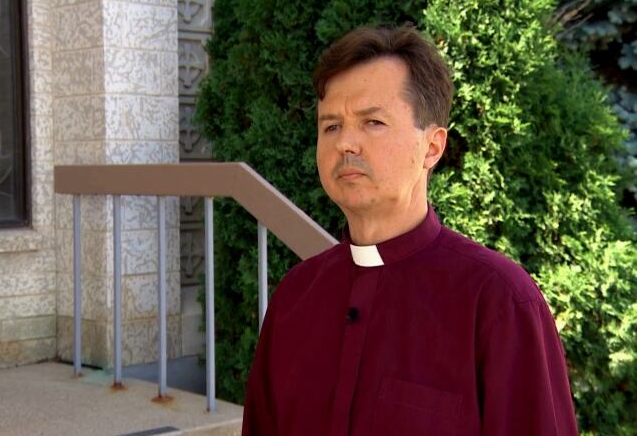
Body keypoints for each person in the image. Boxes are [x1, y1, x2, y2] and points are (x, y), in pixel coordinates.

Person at [241, 26, 578, 436]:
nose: (346, 142)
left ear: (432, 147)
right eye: (330, 126)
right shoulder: (295, 297)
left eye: (373, 122)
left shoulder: (499, 301)